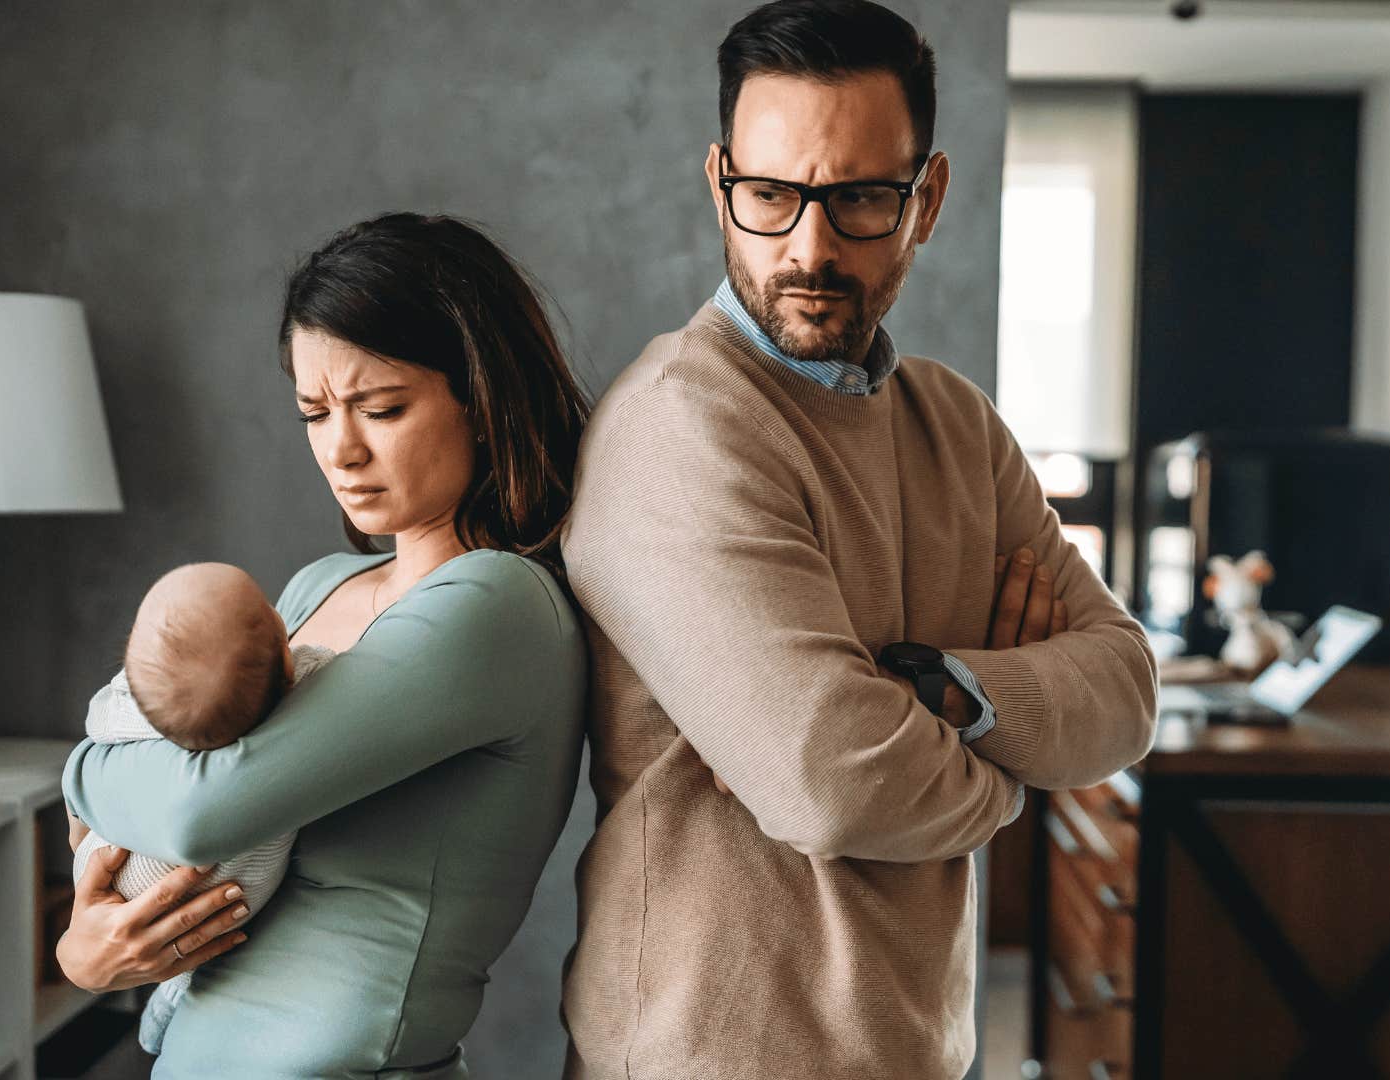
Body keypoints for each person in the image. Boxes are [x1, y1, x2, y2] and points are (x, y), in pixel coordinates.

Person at [559, 2, 1158, 1077]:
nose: (810, 246)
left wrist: (943, 692)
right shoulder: (678, 425)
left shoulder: (959, 428)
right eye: (772, 196)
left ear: (925, 199)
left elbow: (1124, 692)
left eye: (860, 200)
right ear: (720, 186)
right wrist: (1012, 771)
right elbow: (831, 781)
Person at [56, 212, 592, 1079]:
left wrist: (79, 767)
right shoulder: (317, 588)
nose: (341, 450)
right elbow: (191, 818)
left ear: (482, 399)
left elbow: (199, 810)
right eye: (314, 411)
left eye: (381, 408)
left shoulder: (498, 607)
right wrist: (87, 954)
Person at [68, 561, 338, 1055]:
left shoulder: (133, 706)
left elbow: (95, 728)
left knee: (107, 865)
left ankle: (163, 1007)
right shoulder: (306, 689)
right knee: (209, 944)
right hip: (242, 891)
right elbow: (322, 664)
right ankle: (169, 1002)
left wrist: (79, 817)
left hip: (118, 872)